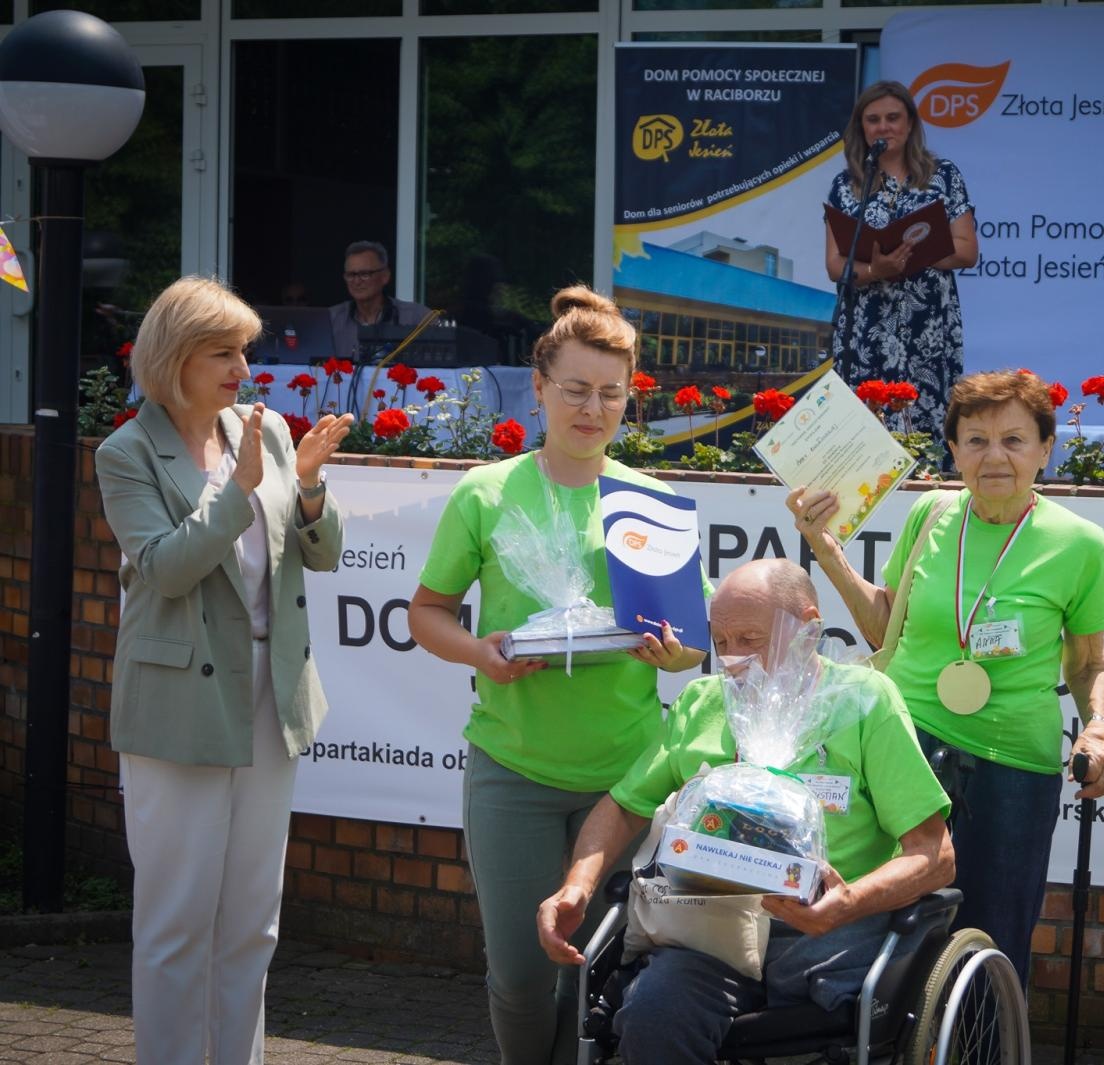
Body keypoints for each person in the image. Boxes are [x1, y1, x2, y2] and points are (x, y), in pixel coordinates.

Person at [407, 285, 705, 1065]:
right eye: (574, 390)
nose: (592, 409)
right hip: (513, 771)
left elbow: (695, 643)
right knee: (519, 973)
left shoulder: (656, 501)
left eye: (611, 393)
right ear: (537, 386)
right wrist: (483, 653)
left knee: (600, 971)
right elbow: (426, 613)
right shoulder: (489, 492)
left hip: (630, 778)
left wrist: (675, 654)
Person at [535, 559, 955, 1065]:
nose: (732, 660)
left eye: (750, 640)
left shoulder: (864, 702)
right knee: (653, 1011)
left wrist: (847, 903)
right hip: (706, 931)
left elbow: (935, 854)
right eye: (721, 642)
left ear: (808, 626)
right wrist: (577, 886)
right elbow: (623, 808)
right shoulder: (701, 703)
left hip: (827, 935)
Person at [94, 276, 353, 1064]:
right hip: (178, 703)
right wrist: (235, 491)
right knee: (177, 923)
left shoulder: (266, 429)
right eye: (224, 351)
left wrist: (307, 486)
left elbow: (324, 554)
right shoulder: (126, 451)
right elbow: (167, 569)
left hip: (272, 694)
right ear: (175, 358)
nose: (245, 365)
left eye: (246, 348)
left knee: (251, 920)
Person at [787, 368, 1104, 985]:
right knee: (884, 936)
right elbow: (885, 628)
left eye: (1014, 440)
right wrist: (824, 546)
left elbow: (1092, 660)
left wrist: (1097, 728)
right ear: (955, 450)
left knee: (989, 946)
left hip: (1013, 770)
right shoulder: (931, 515)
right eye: (976, 440)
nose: (995, 457)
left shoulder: (1080, 543)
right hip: (905, 752)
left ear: (1046, 448)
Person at [825, 81, 979, 438]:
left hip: (927, 327)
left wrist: (912, 255)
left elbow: (967, 250)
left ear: (910, 124)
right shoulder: (845, 185)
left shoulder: (943, 175)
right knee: (861, 433)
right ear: (861, 127)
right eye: (873, 119)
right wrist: (875, 270)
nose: (883, 127)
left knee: (925, 429)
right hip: (864, 331)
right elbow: (835, 264)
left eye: (893, 118)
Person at [328, 240, 429, 361]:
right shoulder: (331, 319)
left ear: (385, 276)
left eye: (365, 274)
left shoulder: (417, 317)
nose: (356, 281)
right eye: (351, 275)